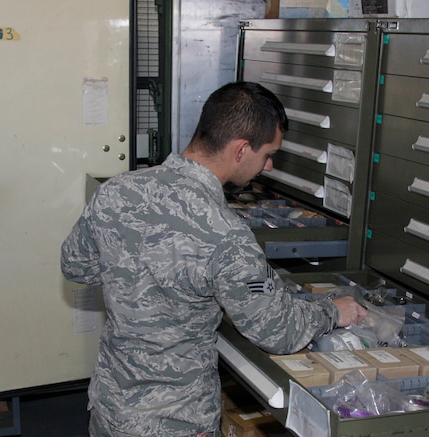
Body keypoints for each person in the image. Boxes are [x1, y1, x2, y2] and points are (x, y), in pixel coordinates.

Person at [61, 81, 367, 437]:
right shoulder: (226, 235)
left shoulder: (116, 190)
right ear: (240, 149)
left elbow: (76, 266)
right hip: (176, 423)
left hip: (111, 409)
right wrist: (333, 311)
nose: (267, 166)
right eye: (268, 153)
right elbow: (278, 331)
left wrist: (135, 277)